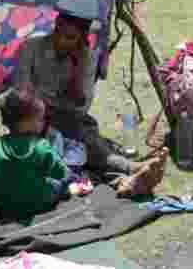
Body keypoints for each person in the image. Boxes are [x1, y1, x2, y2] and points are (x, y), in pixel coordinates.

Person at [14, 12, 167, 194]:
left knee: (81, 144)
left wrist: (77, 74)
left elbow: (81, 107)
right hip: (32, 118)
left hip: (69, 119)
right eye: (58, 32)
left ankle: (125, 182)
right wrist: (50, 107)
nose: (61, 41)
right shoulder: (32, 47)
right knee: (81, 143)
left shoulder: (86, 58)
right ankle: (130, 169)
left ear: (81, 39)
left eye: (70, 38)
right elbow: (22, 93)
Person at [0, 87, 74, 219]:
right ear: (27, 122)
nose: (43, 122)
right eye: (40, 119)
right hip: (39, 202)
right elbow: (61, 173)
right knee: (63, 181)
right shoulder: (41, 147)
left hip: (3, 204)